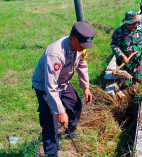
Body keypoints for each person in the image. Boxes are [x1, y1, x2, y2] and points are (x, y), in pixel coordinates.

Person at [32, 21, 95, 157]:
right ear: (72, 39)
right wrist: (60, 112)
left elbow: (82, 65)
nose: (84, 48)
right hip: (45, 86)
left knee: (76, 104)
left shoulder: (79, 47)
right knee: (51, 119)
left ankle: (70, 130)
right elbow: (51, 87)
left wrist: (86, 87)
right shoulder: (55, 54)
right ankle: (52, 152)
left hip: (62, 81)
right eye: (82, 45)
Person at [111, 10, 142, 86]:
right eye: (129, 24)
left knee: (137, 82)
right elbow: (114, 45)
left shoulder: (141, 29)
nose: (132, 26)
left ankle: (137, 91)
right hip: (125, 63)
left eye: (134, 24)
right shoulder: (118, 32)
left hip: (138, 61)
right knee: (125, 85)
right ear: (125, 22)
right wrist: (123, 56)